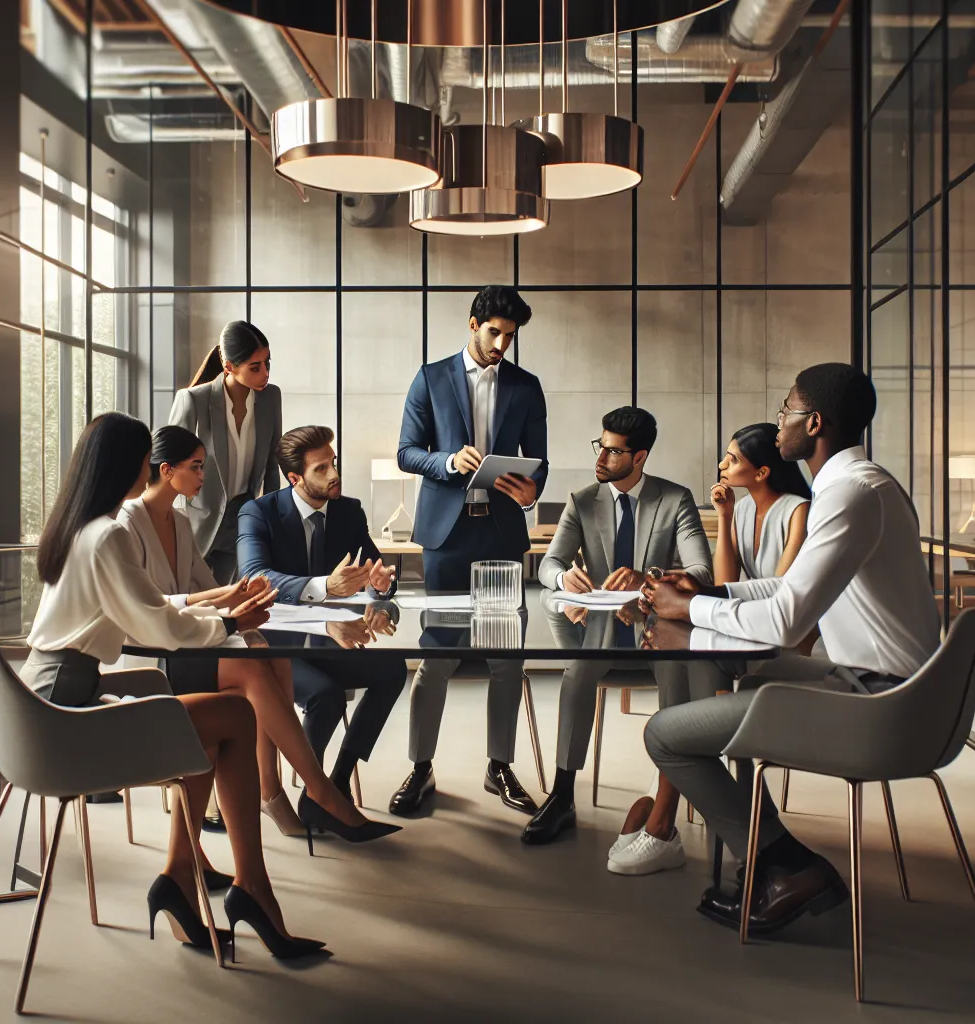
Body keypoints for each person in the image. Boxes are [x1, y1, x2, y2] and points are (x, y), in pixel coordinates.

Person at [638, 363, 940, 938]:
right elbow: (789, 586)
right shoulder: (864, 485)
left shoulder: (848, 495)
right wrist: (711, 592)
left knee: (665, 735)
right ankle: (774, 863)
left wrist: (688, 610)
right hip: (880, 684)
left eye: (785, 411)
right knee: (750, 683)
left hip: (883, 706)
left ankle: (786, 866)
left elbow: (785, 619)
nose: (778, 424)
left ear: (815, 422)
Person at [22, 412, 324, 959]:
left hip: (49, 695)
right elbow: (158, 628)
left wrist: (220, 606)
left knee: (214, 721)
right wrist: (232, 624)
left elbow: (154, 606)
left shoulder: (77, 530)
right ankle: (247, 889)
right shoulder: (109, 534)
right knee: (234, 715)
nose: (148, 471)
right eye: (144, 462)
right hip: (64, 716)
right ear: (131, 467)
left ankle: (183, 877)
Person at [115, 424, 400, 846]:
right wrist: (246, 596)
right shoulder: (130, 524)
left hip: (206, 640)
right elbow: (150, 605)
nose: (204, 477)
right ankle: (307, 793)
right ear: (166, 469)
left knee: (272, 655)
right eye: (196, 467)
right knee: (261, 670)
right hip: (159, 653)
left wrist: (377, 584)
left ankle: (314, 788)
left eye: (333, 464)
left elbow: (207, 587)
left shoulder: (178, 520)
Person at [527, 407, 718, 865]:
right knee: (577, 676)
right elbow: (549, 564)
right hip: (600, 631)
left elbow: (701, 570)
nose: (602, 457)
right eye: (602, 446)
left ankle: (667, 798)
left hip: (660, 631)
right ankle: (563, 795)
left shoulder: (675, 500)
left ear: (640, 457)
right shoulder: (583, 499)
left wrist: (648, 578)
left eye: (614, 452)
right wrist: (562, 580)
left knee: (676, 675)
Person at [392, 285, 550, 818]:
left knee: (506, 660)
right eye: (494, 332)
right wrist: (445, 463)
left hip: (502, 535)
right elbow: (406, 452)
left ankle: (499, 766)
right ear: (472, 323)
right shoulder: (430, 377)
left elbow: (540, 462)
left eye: (511, 335)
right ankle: (420, 767)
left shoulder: (527, 386)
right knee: (436, 659)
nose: (502, 343)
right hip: (446, 537)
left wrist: (533, 490)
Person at [238, 425, 407, 803]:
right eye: (321, 469)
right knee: (326, 696)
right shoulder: (258, 512)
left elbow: (372, 571)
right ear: (294, 477)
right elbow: (254, 577)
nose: (334, 474)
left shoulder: (349, 511)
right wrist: (324, 586)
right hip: (272, 646)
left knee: (393, 669)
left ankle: (338, 778)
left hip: (327, 639)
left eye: (333, 463)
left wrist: (378, 585)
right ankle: (315, 791)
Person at [168, 321, 283, 585]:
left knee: (228, 604)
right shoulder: (194, 400)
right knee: (193, 602)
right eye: (255, 367)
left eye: (267, 363)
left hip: (241, 521)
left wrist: (273, 520)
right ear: (229, 367)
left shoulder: (271, 398)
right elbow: (169, 466)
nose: (265, 373)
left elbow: (271, 465)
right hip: (198, 522)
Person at [711, 422, 812, 586]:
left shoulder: (798, 510)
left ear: (761, 473)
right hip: (755, 606)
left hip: (784, 607)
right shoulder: (742, 508)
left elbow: (781, 588)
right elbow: (724, 583)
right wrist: (725, 515)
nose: (722, 465)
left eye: (733, 460)